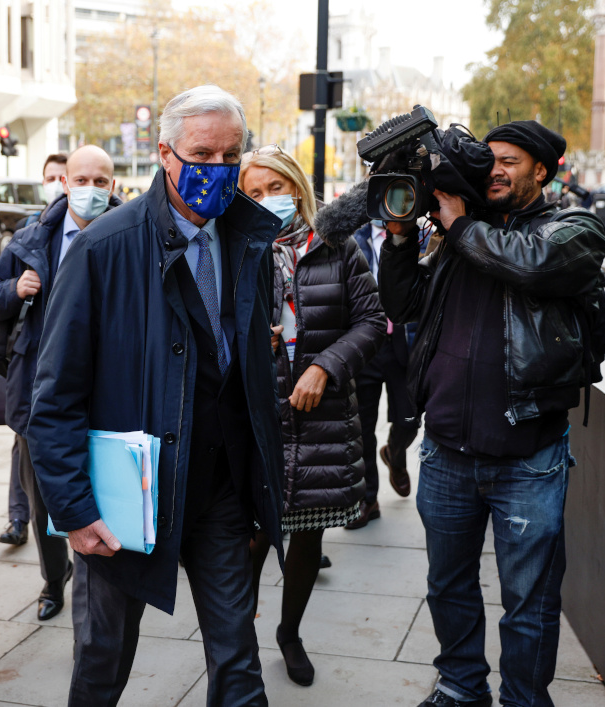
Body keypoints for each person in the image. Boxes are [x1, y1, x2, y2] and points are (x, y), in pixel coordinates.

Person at [28, 85, 284, 706]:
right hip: (126, 500)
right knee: (103, 657)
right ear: (165, 155)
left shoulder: (249, 241)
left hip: (219, 489)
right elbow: (54, 397)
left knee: (238, 657)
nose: (217, 169)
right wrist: (74, 510)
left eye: (231, 155)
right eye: (202, 153)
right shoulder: (101, 250)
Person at [378, 120, 605, 707]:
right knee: (448, 585)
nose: (495, 171)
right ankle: (460, 687)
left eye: (510, 161)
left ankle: (525, 699)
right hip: (447, 448)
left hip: (529, 458)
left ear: (542, 171)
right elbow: (401, 304)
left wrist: (458, 223)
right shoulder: (461, 235)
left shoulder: (573, 230)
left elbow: (530, 263)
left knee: (529, 601)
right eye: (489, 161)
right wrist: (404, 236)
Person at [240, 146, 386, 687]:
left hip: (322, 419)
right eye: (253, 193)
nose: (266, 200)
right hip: (260, 415)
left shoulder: (336, 245)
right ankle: (237, 628)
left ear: (297, 188)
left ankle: (289, 633)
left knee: (306, 535)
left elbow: (372, 322)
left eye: (275, 188)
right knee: (252, 532)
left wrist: (325, 365)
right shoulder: (235, 249)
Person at [0, 145, 120, 621]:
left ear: (112, 186)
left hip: (106, 389)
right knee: (43, 495)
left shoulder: (129, 235)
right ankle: (52, 581)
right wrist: (13, 289)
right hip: (39, 391)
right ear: (64, 182)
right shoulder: (31, 238)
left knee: (101, 493)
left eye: (100, 181)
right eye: (81, 180)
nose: (90, 190)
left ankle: (99, 587)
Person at [0, 152, 68, 547]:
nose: (59, 184)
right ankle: (19, 518)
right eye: (53, 177)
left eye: (65, 176)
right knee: (23, 451)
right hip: (32, 370)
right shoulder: (28, 232)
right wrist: (15, 288)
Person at [348, 218, 431, 529]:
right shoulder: (352, 239)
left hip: (404, 340)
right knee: (362, 427)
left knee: (409, 418)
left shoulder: (423, 236)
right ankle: (368, 499)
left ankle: (395, 454)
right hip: (364, 342)